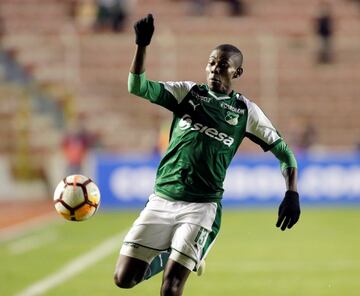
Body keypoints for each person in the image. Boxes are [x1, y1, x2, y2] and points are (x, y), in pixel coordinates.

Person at [114, 14, 301, 296]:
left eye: (222, 66)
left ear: (237, 73)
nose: (214, 69)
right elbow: (137, 87)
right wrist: (142, 45)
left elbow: (285, 153)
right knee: (123, 279)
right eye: (211, 63)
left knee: (171, 288)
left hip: (201, 208)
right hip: (162, 199)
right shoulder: (186, 93)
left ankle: (183, 256)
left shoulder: (245, 112)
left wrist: (292, 193)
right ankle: (170, 253)